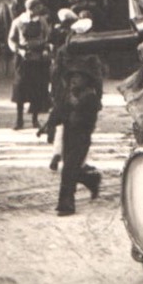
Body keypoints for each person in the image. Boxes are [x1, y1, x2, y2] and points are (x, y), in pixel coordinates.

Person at [44, 52, 104, 216]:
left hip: (82, 137)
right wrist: (50, 125)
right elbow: (58, 112)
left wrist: (74, 110)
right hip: (68, 135)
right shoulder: (68, 95)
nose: (73, 80)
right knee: (71, 168)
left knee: (69, 168)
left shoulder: (90, 97)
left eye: (78, 77)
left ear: (87, 80)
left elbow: (86, 120)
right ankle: (91, 180)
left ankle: (66, 203)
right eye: (71, 78)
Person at [6, 0, 52, 130]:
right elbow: (11, 39)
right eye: (37, 8)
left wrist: (45, 49)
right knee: (20, 88)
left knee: (37, 89)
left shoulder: (41, 21)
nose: (39, 10)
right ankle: (19, 120)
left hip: (38, 59)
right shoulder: (18, 22)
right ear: (30, 8)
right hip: (23, 58)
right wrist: (18, 50)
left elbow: (47, 37)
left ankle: (35, 119)